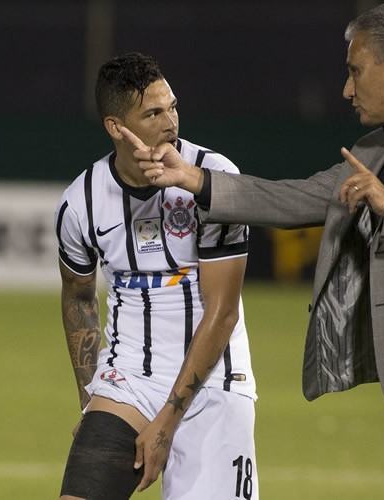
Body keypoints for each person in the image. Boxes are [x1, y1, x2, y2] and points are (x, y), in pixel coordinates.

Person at [124, 3, 384, 499]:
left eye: (354, 71)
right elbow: (298, 197)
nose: (347, 89)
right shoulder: (382, 146)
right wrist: (192, 178)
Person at [54, 52, 258, 500]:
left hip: (215, 382)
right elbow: (79, 297)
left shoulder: (215, 178)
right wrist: (91, 398)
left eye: (173, 107)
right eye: (153, 113)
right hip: (129, 379)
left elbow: (223, 313)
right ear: (115, 126)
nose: (171, 122)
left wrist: (167, 420)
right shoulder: (81, 202)